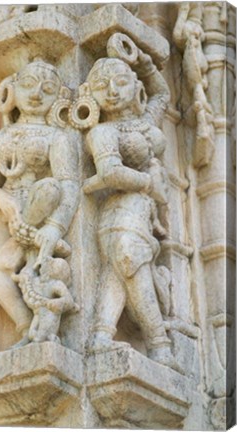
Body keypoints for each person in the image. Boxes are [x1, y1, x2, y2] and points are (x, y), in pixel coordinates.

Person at [83, 44, 181, 372]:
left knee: (119, 269)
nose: (112, 90)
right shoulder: (102, 132)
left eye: (121, 82)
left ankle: (100, 336)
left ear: (135, 86)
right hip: (119, 211)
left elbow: (162, 95)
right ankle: (159, 345)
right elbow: (109, 173)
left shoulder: (145, 120)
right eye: (101, 86)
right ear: (90, 95)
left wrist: (143, 63)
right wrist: (148, 184)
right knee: (127, 260)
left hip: (141, 214)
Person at [0, 60, 79, 348]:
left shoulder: (58, 138)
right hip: (9, 211)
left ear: (58, 98)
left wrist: (55, 228)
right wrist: (3, 200)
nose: (36, 95)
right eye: (28, 85)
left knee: (48, 189)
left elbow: (68, 184)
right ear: (11, 89)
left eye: (47, 89)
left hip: (41, 209)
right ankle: (25, 326)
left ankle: (43, 323)